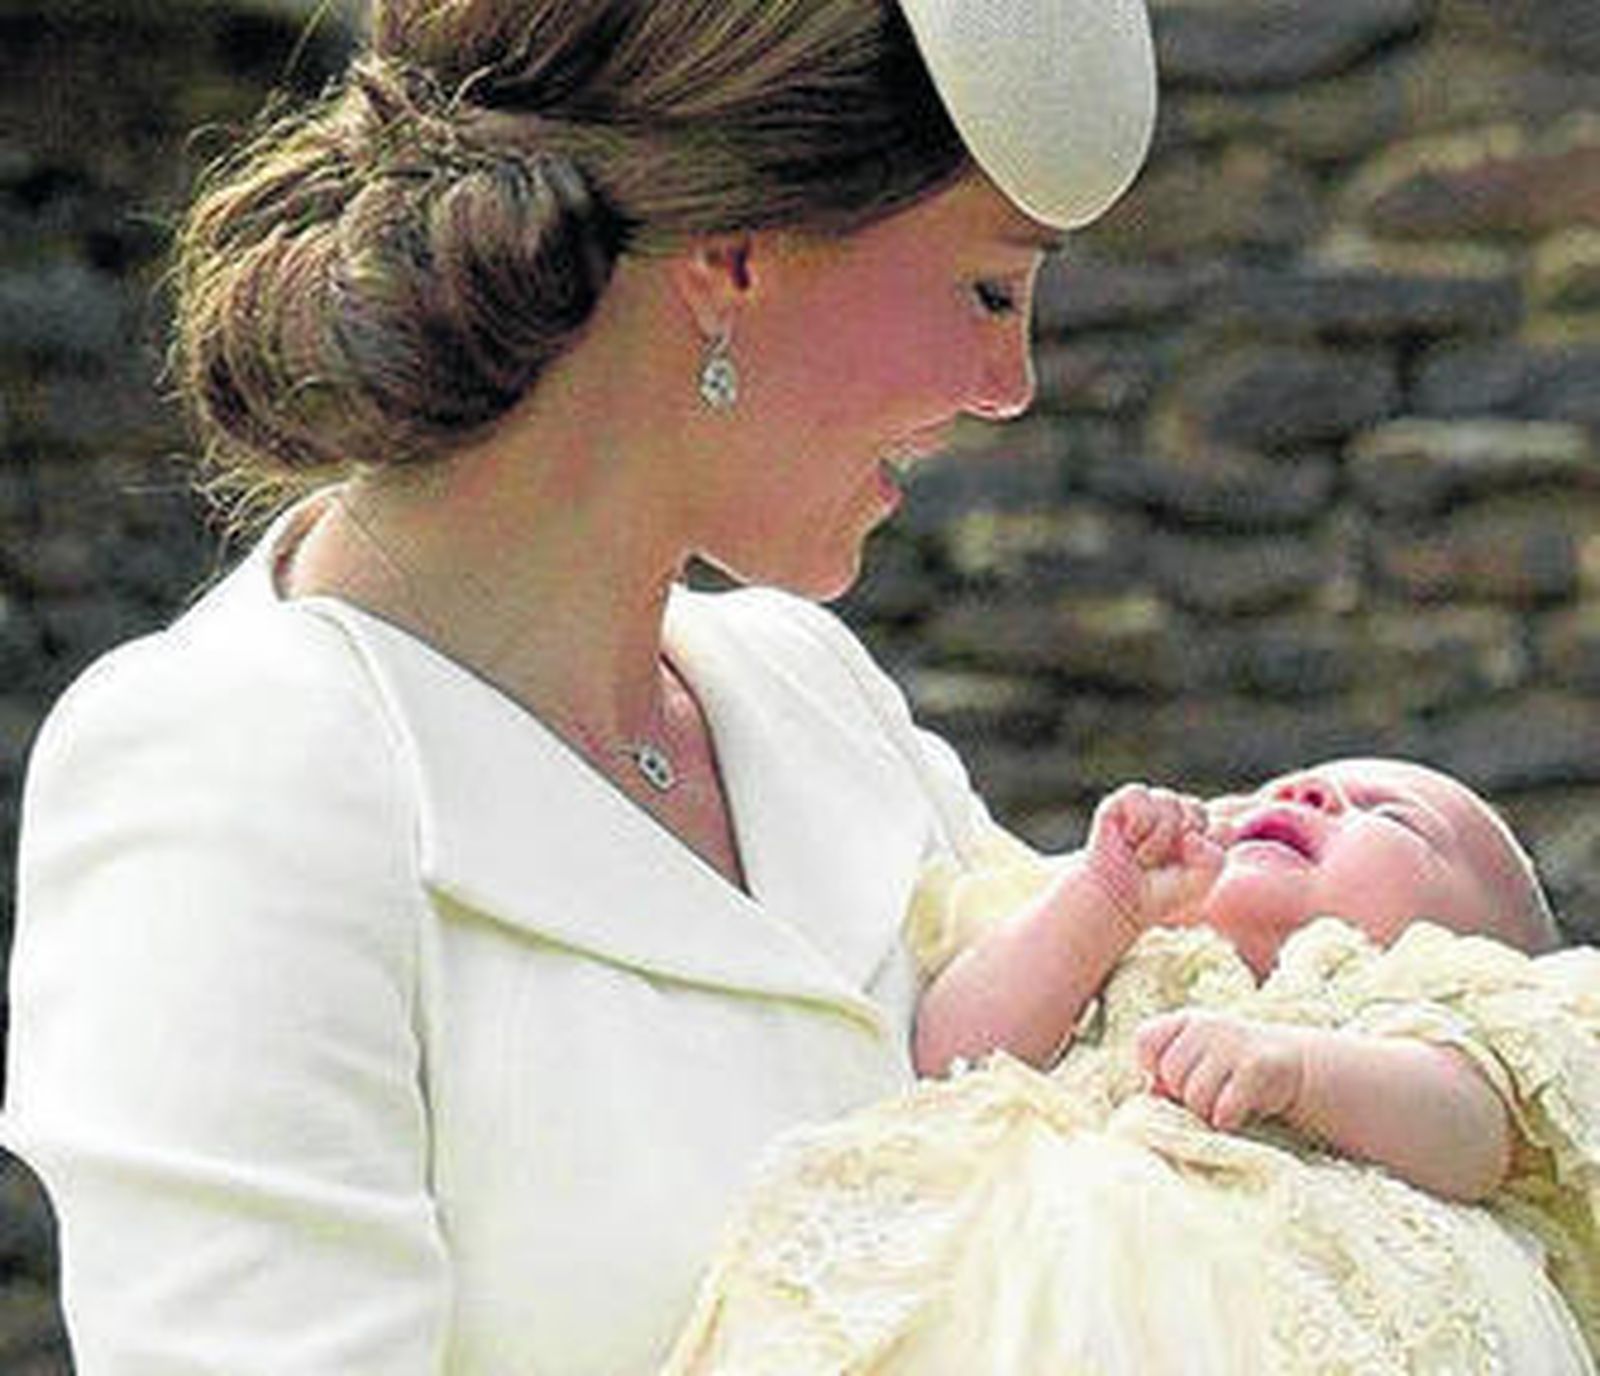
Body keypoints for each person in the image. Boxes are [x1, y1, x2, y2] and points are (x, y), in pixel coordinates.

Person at [0, 1, 1160, 1371]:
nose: (1008, 385)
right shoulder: (232, 776)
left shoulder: (809, 692)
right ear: (735, 257)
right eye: (988, 291)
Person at [664, 759, 1600, 1374]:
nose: (1308, 795)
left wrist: (1301, 1071)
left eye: (1392, 817)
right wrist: (1101, 903)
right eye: (1273, 789)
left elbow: (1471, 1137)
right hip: (1019, 1290)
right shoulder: (1126, 948)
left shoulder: (1423, 997)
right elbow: (946, 1051)